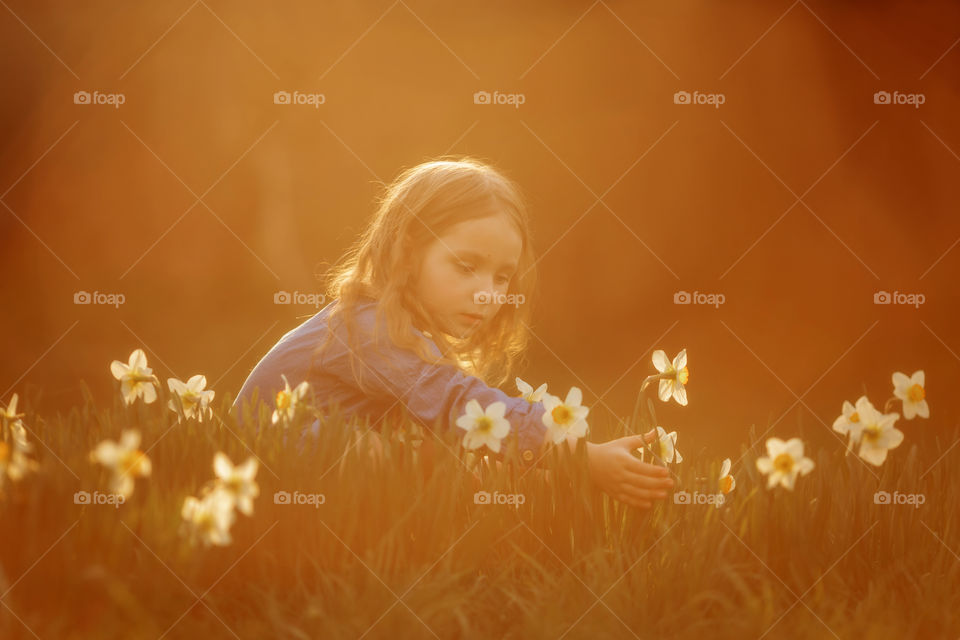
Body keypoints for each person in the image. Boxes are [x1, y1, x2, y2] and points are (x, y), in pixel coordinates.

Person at [232, 157, 674, 509]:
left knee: (438, 451)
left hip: (304, 480)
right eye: (466, 267)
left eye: (503, 278)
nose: (488, 294)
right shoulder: (367, 327)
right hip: (256, 476)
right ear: (408, 254)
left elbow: (452, 425)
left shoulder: (406, 333)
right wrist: (581, 459)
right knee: (380, 451)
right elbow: (458, 404)